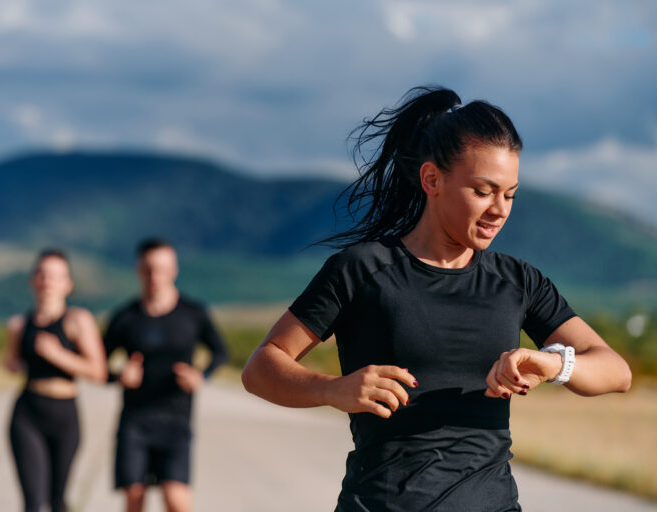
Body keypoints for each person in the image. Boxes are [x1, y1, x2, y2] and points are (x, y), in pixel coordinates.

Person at [242, 86, 632, 511]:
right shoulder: (362, 270)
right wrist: (333, 389)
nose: (500, 209)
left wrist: (554, 363)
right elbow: (262, 366)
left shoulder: (518, 282)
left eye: (510, 194)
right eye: (483, 191)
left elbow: (616, 372)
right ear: (432, 180)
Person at [104, 238, 228, 512]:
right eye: (148, 269)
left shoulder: (193, 314)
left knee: (176, 501)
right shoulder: (125, 317)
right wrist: (118, 375)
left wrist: (200, 376)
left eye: (161, 269)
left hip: (176, 420)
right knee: (134, 498)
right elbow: (99, 365)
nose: (154, 276)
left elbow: (220, 352)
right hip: (134, 421)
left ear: (174, 270)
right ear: (138, 270)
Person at [5, 249, 107, 512]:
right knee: (32, 501)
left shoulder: (78, 321)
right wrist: (12, 364)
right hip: (28, 412)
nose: (47, 281)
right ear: (32, 280)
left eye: (55, 276)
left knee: (58, 500)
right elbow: (14, 362)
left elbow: (98, 372)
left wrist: (59, 355)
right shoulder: (18, 324)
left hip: (64, 413)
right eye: (42, 274)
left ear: (67, 284)